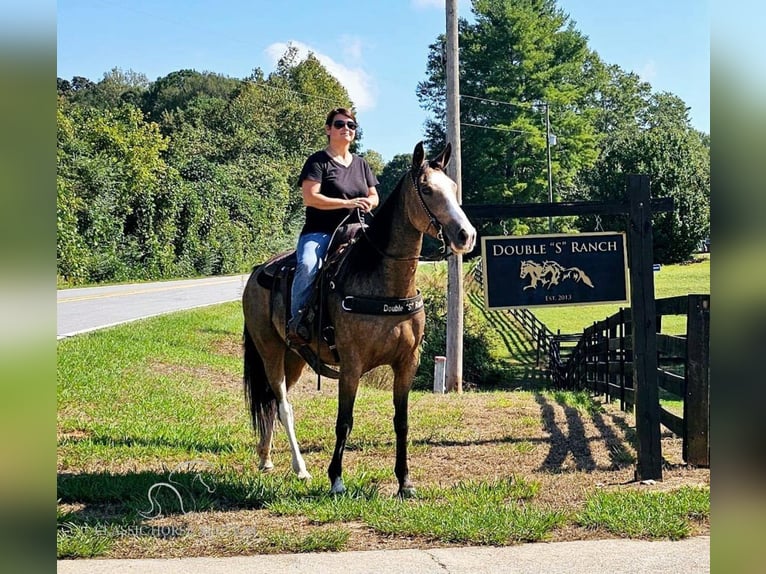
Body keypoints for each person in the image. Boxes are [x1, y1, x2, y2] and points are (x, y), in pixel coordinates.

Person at [287, 107, 379, 345]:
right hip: (320, 232)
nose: (346, 129)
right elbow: (310, 197)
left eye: (351, 126)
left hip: (357, 231)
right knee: (308, 265)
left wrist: (368, 201)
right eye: (339, 124)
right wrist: (346, 202)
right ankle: (298, 323)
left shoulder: (361, 164)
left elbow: (374, 195)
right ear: (328, 129)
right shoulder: (318, 162)